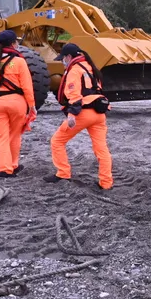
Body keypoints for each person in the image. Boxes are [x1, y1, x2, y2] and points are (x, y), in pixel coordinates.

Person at [46, 43, 113, 190]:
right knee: (101, 149)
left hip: (83, 113)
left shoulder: (74, 70)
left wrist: (71, 114)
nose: (63, 61)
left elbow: (74, 94)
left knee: (57, 141)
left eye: (63, 58)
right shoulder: (92, 68)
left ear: (69, 57)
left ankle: (63, 173)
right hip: (99, 113)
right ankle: (106, 183)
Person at [0, 30, 36, 178]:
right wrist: (31, 105)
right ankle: (13, 165)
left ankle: (4, 169)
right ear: (13, 43)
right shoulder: (20, 61)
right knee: (15, 135)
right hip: (17, 103)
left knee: (1, 138)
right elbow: (27, 87)